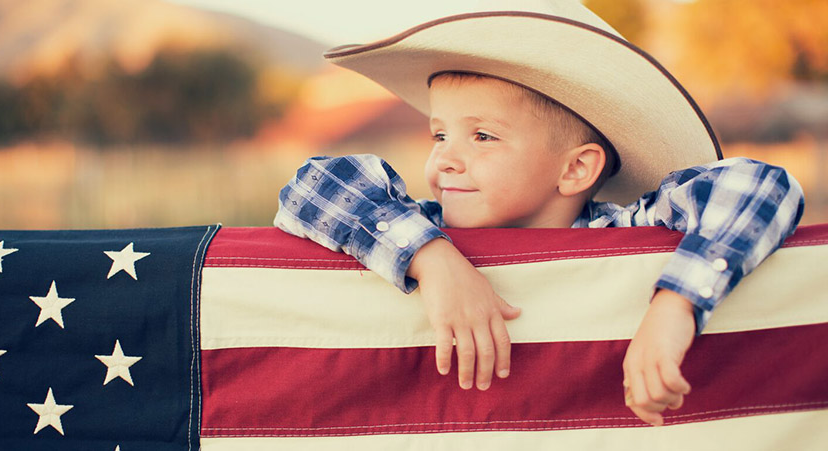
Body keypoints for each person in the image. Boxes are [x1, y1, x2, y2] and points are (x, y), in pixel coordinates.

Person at [273, 1, 804, 426]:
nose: (444, 158)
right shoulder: (426, 230)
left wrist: (675, 306)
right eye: (440, 134)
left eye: (481, 136)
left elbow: (759, 185)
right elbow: (314, 185)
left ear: (575, 171)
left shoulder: (630, 231)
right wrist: (434, 261)